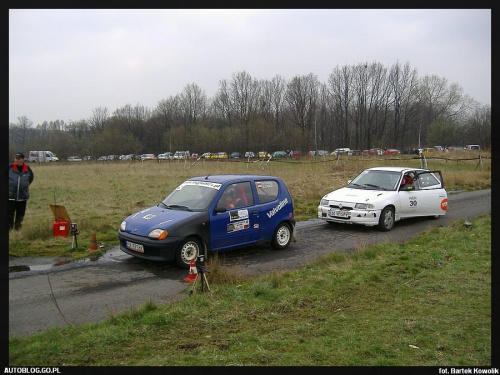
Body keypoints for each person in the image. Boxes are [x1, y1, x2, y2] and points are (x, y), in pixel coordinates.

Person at [8, 152, 34, 230]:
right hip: (11, 196)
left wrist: (24, 186)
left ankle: (17, 227)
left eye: (18, 159)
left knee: (20, 214)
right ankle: (9, 228)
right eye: (16, 158)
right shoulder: (10, 168)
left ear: (23, 160)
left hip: (22, 196)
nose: (16, 160)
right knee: (9, 213)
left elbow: (30, 179)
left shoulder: (27, 169)